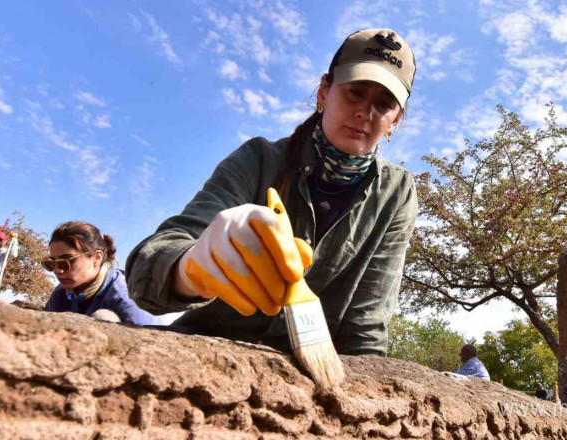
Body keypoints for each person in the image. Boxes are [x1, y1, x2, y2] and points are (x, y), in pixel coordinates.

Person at [126, 28, 418, 356]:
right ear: (324, 91)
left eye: (384, 103)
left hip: (313, 373)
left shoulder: (398, 194)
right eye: (355, 92)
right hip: (208, 352)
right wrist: (193, 267)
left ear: (395, 121)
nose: (367, 112)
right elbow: (144, 272)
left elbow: (365, 326)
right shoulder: (259, 159)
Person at [43, 221, 155, 326]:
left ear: (96, 257)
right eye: (52, 263)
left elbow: (152, 343)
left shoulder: (127, 297)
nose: (57, 270)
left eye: (66, 262)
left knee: (103, 317)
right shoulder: (61, 293)